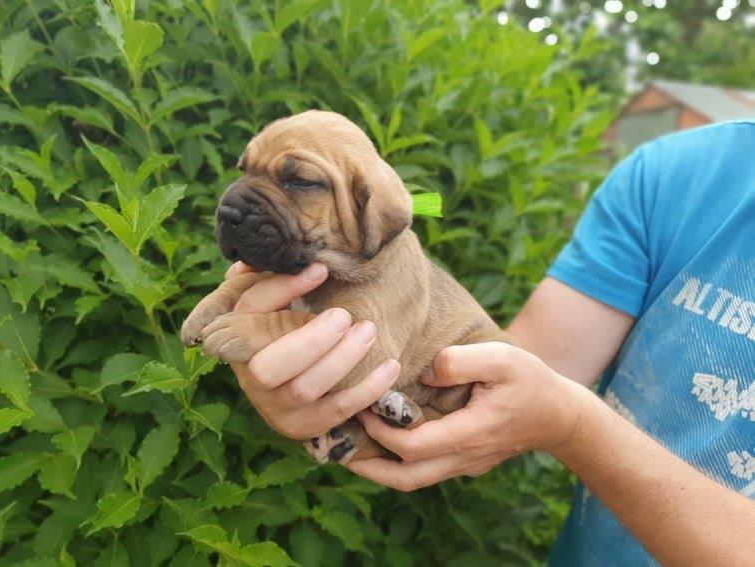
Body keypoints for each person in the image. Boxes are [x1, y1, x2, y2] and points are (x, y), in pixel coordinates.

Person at [225, 121, 755, 565]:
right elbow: (504, 375)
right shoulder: (673, 177)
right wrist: (301, 365)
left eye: (298, 182)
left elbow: (553, 407)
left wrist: (573, 424)